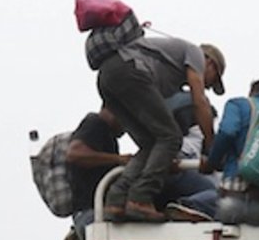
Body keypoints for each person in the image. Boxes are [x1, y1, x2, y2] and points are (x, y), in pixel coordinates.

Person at [92, 31, 223, 222]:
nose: (209, 86)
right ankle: (140, 198)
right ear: (209, 63)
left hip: (106, 78)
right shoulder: (195, 53)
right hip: (129, 69)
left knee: (151, 144)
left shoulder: (168, 78)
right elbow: (199, 102)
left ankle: (116, 200)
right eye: (213, 79)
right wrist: (212, 149)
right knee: (171, 138)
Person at [208, 77, 259, 226]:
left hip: (232, 202)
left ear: (252, 93)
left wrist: (211, 162)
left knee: (198, 201)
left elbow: (227, 132)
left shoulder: (239, 105)